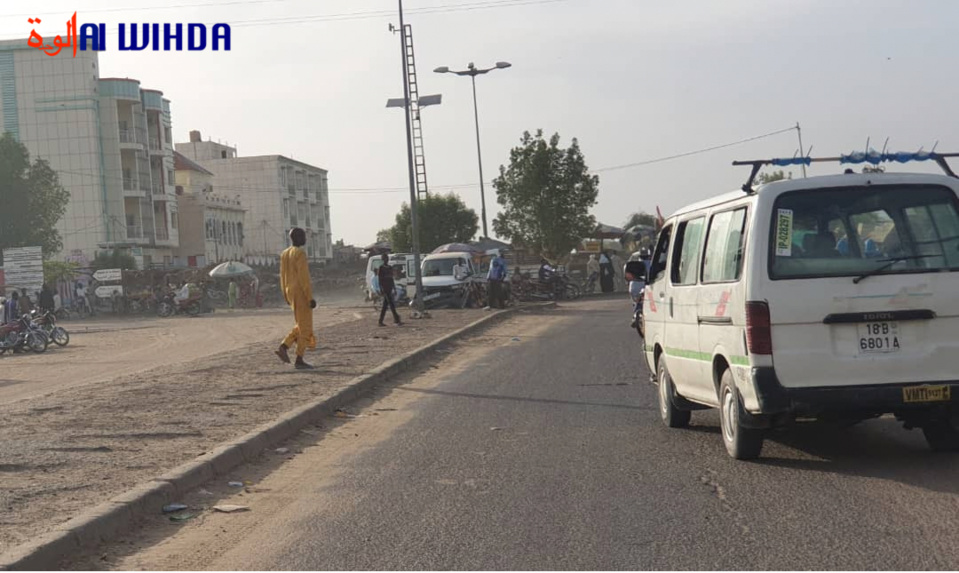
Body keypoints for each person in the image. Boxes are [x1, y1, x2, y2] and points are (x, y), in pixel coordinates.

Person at [276, 227, 317, 369]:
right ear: (298, 238)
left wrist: (285, 295)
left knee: (301, 323)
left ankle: (285, 346)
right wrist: (310, 297)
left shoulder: (284, 253)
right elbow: (303, 277)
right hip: (300, 292)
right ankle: (299, 358)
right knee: (305, 326)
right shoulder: (300, 253)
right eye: (303, 236)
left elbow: (282, 276)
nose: (305, 239)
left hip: (290, 292)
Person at [376, 252, 403, 327]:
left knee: (385, 306)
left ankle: (380, 321)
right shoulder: (381, 268)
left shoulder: (390, 267)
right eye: (385, 258)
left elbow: (391, 279)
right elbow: (380, 280)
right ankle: (396, 319)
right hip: (385, 288)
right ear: (383, 259)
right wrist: (381, 288)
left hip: (390, 288)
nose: (386, 260)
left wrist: (394, 288)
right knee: (391, 304)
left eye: (387, 258)